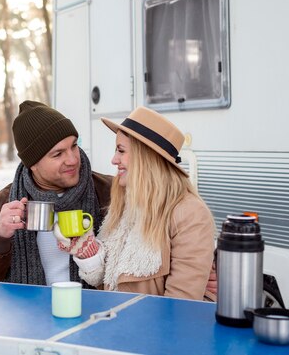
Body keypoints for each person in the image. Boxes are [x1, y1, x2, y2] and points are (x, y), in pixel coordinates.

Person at [54, 106, 216, 300]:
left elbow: (180, 307)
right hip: (116, 324)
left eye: (121, 150)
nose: (114, 160)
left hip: (152, 329)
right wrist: (89, 253)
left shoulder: (189, 214)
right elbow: (110, 284)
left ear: (145, 157)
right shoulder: (126, 206)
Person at [0, 100, 112, 285]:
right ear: (32, 164)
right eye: (58, 154)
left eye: (74, 146)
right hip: (28, 310)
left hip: (93, 309)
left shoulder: (108, 192)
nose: (73, 159)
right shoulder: (3, 202)